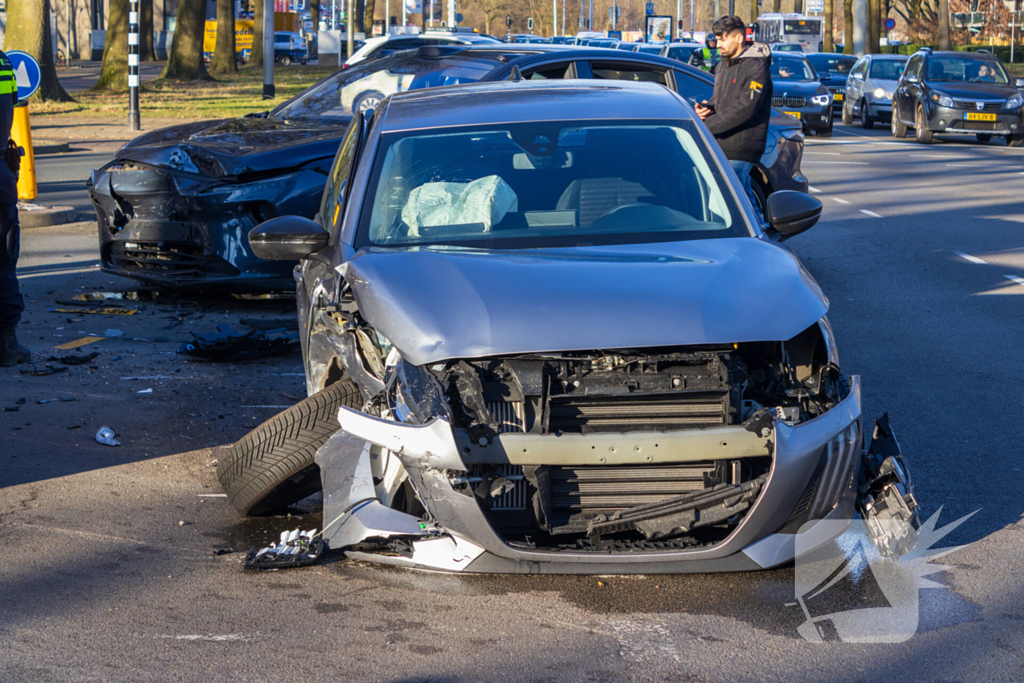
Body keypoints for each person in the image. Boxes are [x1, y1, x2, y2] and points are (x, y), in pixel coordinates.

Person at [694, 15, 772, 221]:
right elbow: (720, 102)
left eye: (723, 39)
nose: (718, 44)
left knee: (737, 199)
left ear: (739, 38)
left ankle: (760, 237)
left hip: (742, 144)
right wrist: (706, 109)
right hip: (723, 142)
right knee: (728, 200)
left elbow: (747, 108)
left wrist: (706, 126)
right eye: (717, 39)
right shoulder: (722, 66)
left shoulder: (756, 66)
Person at [0, 48, 29, 367]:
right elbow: (14, 102)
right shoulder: (2, 62)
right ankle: (6, 343)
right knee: (3, 261)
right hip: (0, 174)